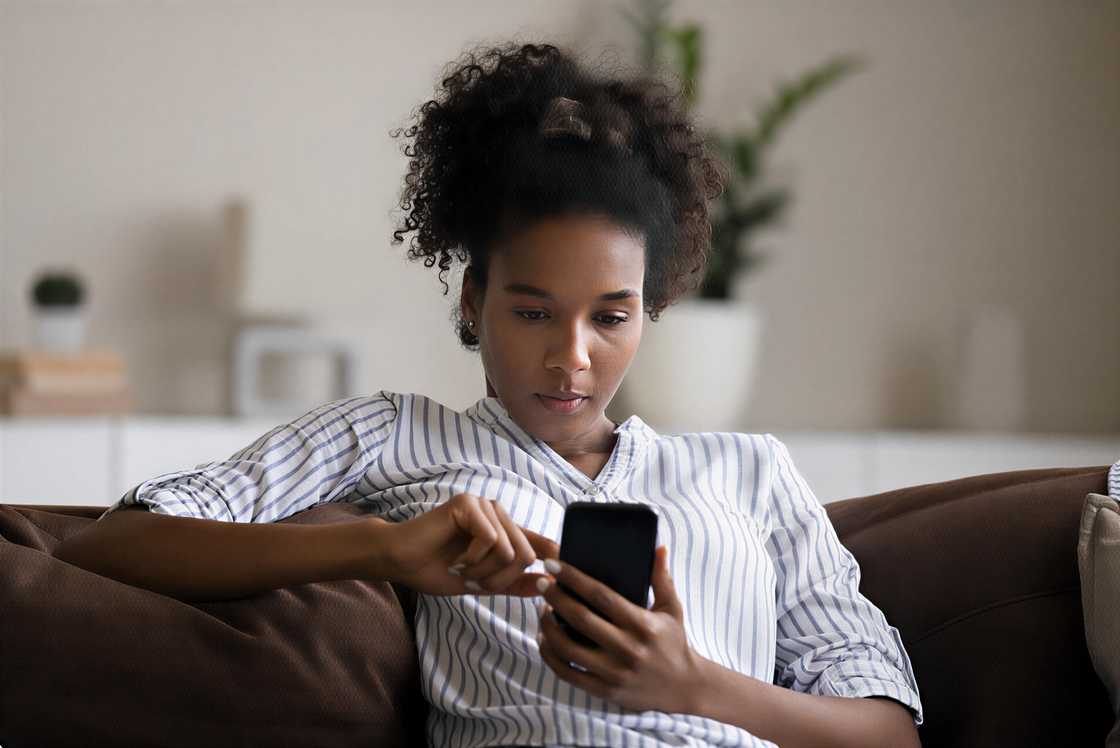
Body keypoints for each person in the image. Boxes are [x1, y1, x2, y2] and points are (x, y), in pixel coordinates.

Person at [63, 42, 922, 748]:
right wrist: (379, 551)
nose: (572, 358)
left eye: (611, 317)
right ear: (474, 301)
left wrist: (692, 684)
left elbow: (889, 733)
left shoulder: (751, 473)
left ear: (649, 311)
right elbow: (117, 548)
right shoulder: (394, 436)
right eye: (533, 311)